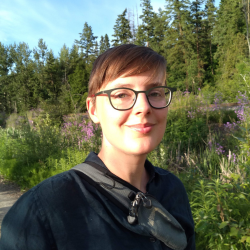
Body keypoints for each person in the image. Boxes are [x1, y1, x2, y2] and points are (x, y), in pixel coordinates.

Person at [0, 44, 195, 250]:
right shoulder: (41, 212)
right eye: (121, 94)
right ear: (93, 110)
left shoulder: (173, 190)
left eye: (155, 93)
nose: (144, 107)